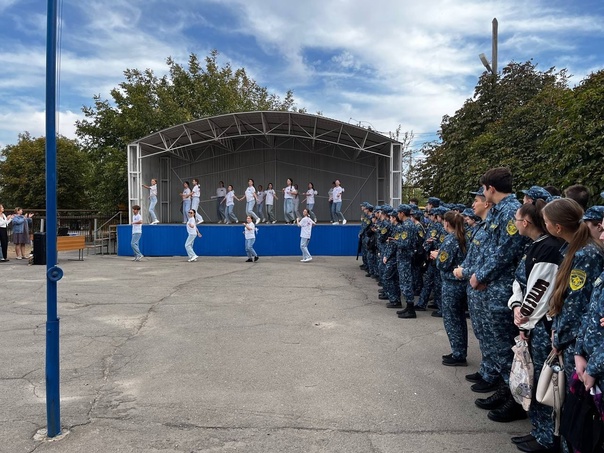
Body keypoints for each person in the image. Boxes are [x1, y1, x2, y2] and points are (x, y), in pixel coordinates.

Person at [470, 167, 528, 423]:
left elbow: (505, 252)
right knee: (495, 343)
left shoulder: (510, 212)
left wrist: (481, 276)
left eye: (483, 189)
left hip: (502, 287)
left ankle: (515, 401)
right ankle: (506, 391)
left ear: (491, 189)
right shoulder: (499, 211)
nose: (483, 194)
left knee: (504, 345)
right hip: (492, 286)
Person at [506, 200, 563, 453]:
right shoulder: (536, 246)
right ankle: (538, 431)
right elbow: (520, 281)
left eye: (516, 219)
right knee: (535, 377)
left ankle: (547, 437)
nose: (515, 223)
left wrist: (524, 319)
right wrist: (517, 305)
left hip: (540, 325)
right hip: (531, 321)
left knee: (543, 380)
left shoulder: (549, 248)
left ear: (525, 222)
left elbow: (540, 290)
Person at [542, 198, 604, 385]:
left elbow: (575, 304)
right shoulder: (573, 249)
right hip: (570, 338)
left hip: (575, 342)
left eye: (546, 222)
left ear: (558, 227)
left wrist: (560, 339)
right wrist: (556, 329)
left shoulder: (586, 254)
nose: (544, 225)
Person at [435, 210, 468, 366]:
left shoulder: (450, 240)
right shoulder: (465, 237)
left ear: (446, 223)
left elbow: (442, 263)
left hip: (451, 284)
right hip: (463, 283)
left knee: (452, 320)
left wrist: (437, 256)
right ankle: (460, 351)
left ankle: (458, 353)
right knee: (460, 319)